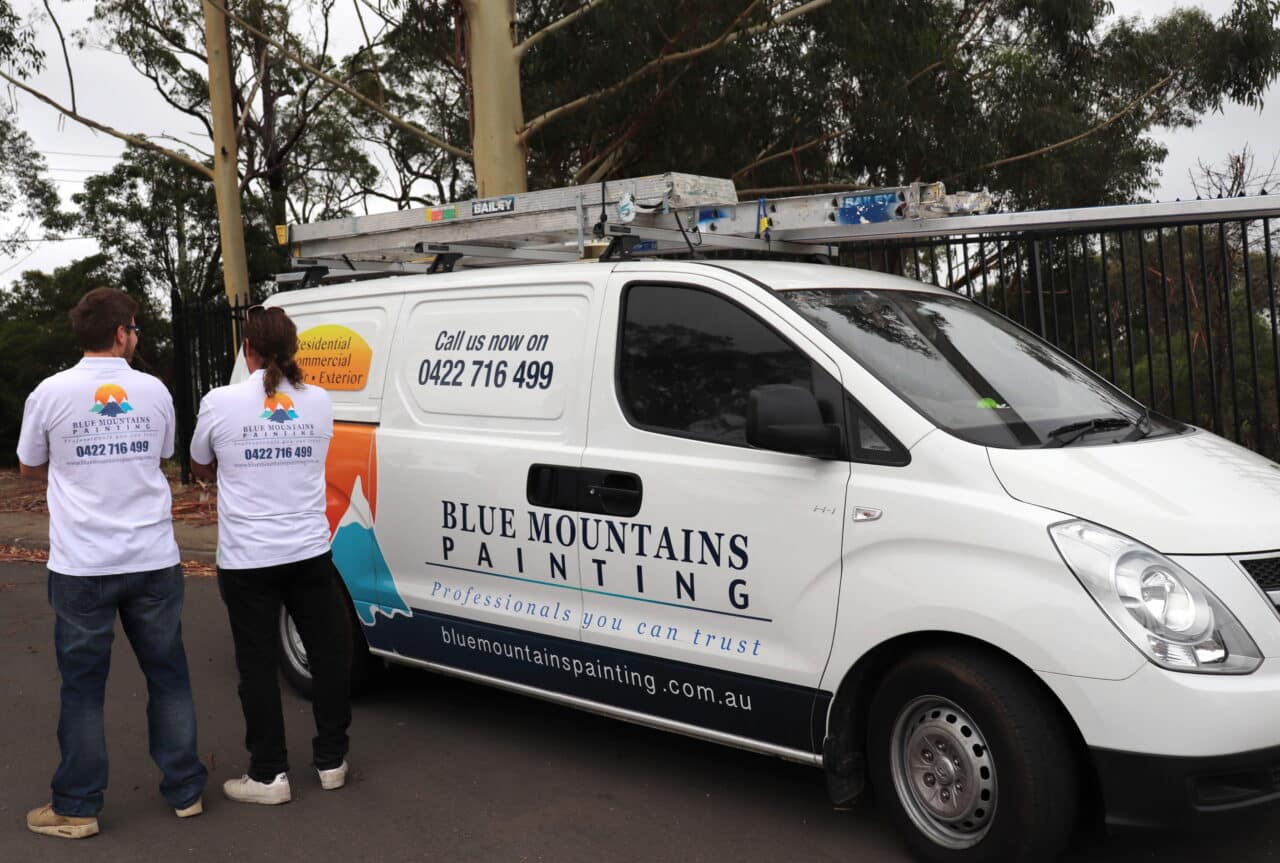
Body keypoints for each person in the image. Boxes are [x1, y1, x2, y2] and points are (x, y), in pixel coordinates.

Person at [17, 287, 208, 839]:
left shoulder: (50, 393)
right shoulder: (152, 391)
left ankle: (77, 807)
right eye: (136, 330)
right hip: (152, 558)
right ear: (122, 331)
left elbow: (30, 466)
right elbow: (167, 452)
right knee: (168, 675)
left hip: (82, 563)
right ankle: (185, 790)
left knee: (81, 687)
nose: (136, 338)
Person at [189, 303, 352, 805]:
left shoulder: (220, 401)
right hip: (308, 549)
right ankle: (331, 760)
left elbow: (198, 464)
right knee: (328, 654)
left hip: (247, 557)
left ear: (247, 348)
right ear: (293, 349)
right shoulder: (320, 400)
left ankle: (269, 775)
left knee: (257, 665)